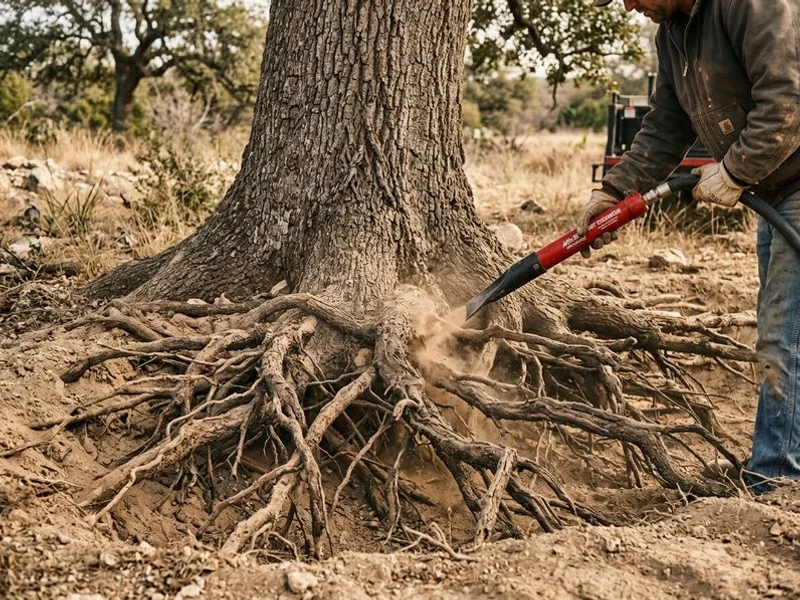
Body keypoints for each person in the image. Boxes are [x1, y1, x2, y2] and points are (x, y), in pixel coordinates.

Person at [584, 0, 800, 492]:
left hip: (789, 180)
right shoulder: (674, 33)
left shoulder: (751, 5)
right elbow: (666, 124)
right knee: (787, 326)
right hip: (775, 187)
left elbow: (788, 99)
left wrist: (735, 170)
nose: (629, 5)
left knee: (783, 331)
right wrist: (615, 191)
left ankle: (777, 478)